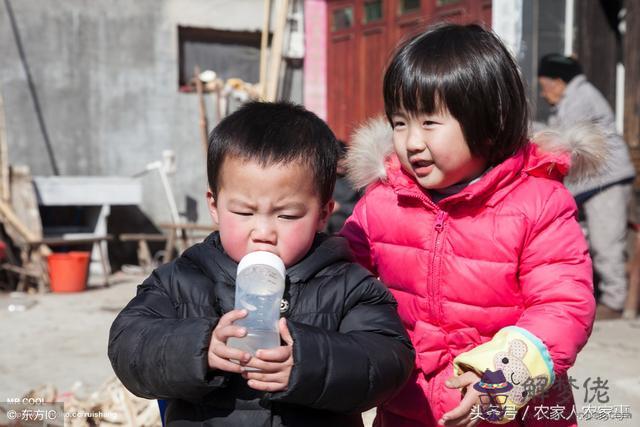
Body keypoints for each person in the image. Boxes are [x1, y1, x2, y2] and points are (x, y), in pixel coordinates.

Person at [340, 24, 597, 426]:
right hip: (410, 411)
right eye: (400, 122)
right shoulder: (381, 203)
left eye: (429, 122)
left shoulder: (539, 204)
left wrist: (501, 377)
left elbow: (562, 306)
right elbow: (337, 282)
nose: (410, 142)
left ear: (488, 121)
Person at [108, 102, 414, 426]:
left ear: (324, 213)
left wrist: (309, 362)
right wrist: (200, 346)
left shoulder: (346, 284)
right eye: (243, 212)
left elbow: (388, 359)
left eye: (287, 215)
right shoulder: (185, 278)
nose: (263, 232)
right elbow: (129, 342)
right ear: (214, 205)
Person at [538, 53, 636, 319]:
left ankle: (614, 301)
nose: (544, 95)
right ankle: (597, 295)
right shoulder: (570, 99)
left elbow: (563, 140)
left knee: (606, 240)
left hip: (606, 178)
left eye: (545, 86)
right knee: (587, 238)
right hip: (589, 182)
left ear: (559, 82)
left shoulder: (580, 98)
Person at [325, 140, 362, 234]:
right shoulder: (325, 179)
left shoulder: (357, 180)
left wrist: (340, 207)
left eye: (343, 158)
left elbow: (363, 208)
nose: (340, 162)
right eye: (337, 159)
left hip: (348, 225)